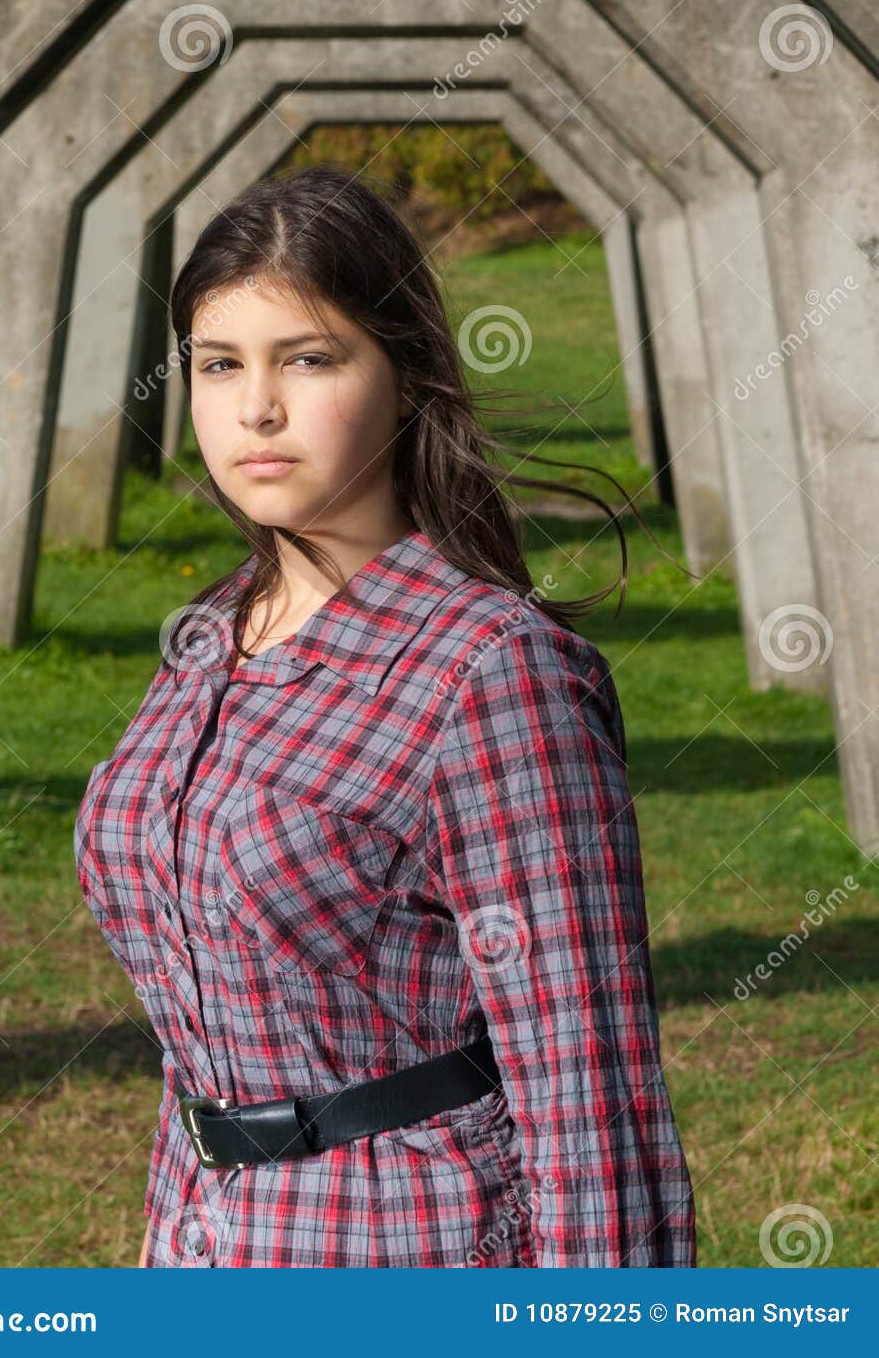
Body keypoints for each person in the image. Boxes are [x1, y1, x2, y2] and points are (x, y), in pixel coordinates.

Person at [74, 164, 698, 1269]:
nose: (256, 408)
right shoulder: (209, 638)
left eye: (308, 359)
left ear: (405, 377)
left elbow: (588, 1084)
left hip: (408, 1247)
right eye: (220, 364)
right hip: (200, 1244)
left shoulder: (492, 673)